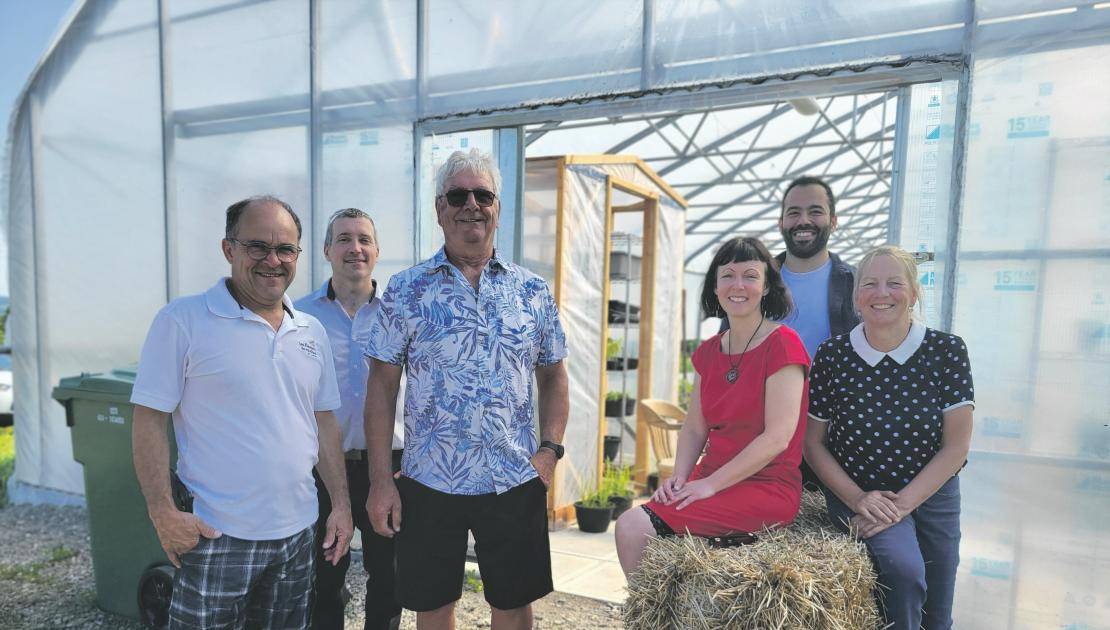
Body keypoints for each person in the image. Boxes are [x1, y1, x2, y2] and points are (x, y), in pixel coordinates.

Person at [364, 149, 569, 630]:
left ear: (497, 207)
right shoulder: (406, 290)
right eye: (457, 195)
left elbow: (554, 374)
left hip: (514, 476)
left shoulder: (532, 291)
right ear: (440, 209)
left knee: (515, 607)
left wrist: (550, 451)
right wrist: (379, 483)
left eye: (483, 194)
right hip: (431, 479)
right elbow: (381, 387)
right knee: (432, 607)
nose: (470, 204)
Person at [130, 195, 354, 629]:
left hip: (296, 533)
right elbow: (149, 419)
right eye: (258, 246)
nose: (273, 260)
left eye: (285, 249)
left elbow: (323, 422)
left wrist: (341, 506)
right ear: (229, 249)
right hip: (217, 535)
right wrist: (161, 511)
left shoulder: (311, 330)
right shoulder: (183, 321)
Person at [615, 236, 809, 577]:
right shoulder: (709, 351)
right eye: (728, 276)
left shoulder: (783, 344)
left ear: (766, 287)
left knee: (633, 527)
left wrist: (710, 485)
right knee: (637, 525)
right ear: (716, 287)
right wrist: (679, 478)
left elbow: (778, 437)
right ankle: (653, 616)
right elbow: (694, 426)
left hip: (766, 485)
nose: (738, 285)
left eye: (750, 275)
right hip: (711, 476)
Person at [803, 245, 974, 630]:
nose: (882, 293)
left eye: (894, 283)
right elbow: (813, 444)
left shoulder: (946, 351)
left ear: (913, 293)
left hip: (934, 494)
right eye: (870, 284)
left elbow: (956, 446)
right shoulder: (833, 355)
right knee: (904, 571)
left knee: (938, 607)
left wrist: (904, 504)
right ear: (856, 296)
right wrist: (858, 498)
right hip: (864, 493)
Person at [295, 209, 404, 630]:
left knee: (389, 578)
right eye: (343, 239)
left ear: (377, 252)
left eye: (363, 239)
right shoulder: (299, 316)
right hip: (323, 468)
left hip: (389, 468)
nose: (354, 248)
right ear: (326, 250)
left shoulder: (400, 315)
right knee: (325, 577)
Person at [722, 176, 858, 358]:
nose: (803, 221)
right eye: (794, 213)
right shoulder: (750, 281)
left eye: (815, 212)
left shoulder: (854, 283)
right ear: (781, 224)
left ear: (833, 222)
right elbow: (724, 348)